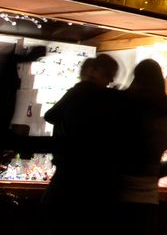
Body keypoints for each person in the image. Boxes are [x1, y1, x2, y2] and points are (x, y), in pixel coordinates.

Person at [42, 53, 125, 235]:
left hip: (68, 176)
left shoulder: (79, 93)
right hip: (99, 181)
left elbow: (50, 116)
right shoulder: (112, 100)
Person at [119, 59, 167, 235]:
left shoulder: (120, 106)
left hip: (112, 193)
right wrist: (153, 169)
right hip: (146, 198)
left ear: (135, 77)